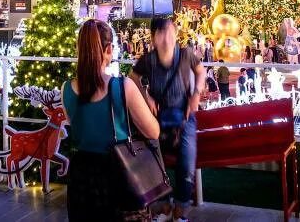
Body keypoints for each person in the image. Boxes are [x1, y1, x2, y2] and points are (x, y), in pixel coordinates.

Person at [64, 20, 159, 221]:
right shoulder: (122, 86)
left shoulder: (66, 90)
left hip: (81, 178)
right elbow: (153, 132)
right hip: (118, 174)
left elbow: (79, 127)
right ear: (109, 49)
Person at [131, 17, 205, 222]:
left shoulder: (186, 55)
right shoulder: (148, 60)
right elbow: (133, 78)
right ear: (153, 38)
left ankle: (181, 208)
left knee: (186, 160)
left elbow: (201, 71)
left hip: (184, 118)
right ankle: (162, 205)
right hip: (157, 120)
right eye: (161, 33)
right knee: (150, 160)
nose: (167, 37)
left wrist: (196, 94)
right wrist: (147, 96)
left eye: (170, 31)